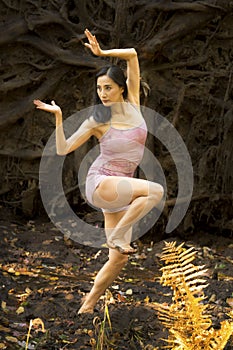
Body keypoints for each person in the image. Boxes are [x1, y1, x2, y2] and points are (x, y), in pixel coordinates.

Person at [33, 29, 164, 314]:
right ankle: (117, 235)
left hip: (121, 187)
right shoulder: (97, 120)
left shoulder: (135, 106)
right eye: (99, 89)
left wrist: (103, 54)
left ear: (121, 87)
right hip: (100, 182)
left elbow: (131, 55)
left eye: (107, 87)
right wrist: (58, 118)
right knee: (156, 190)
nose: (102, 94)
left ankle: (87, 307)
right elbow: (64, 147)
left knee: (118, 260)